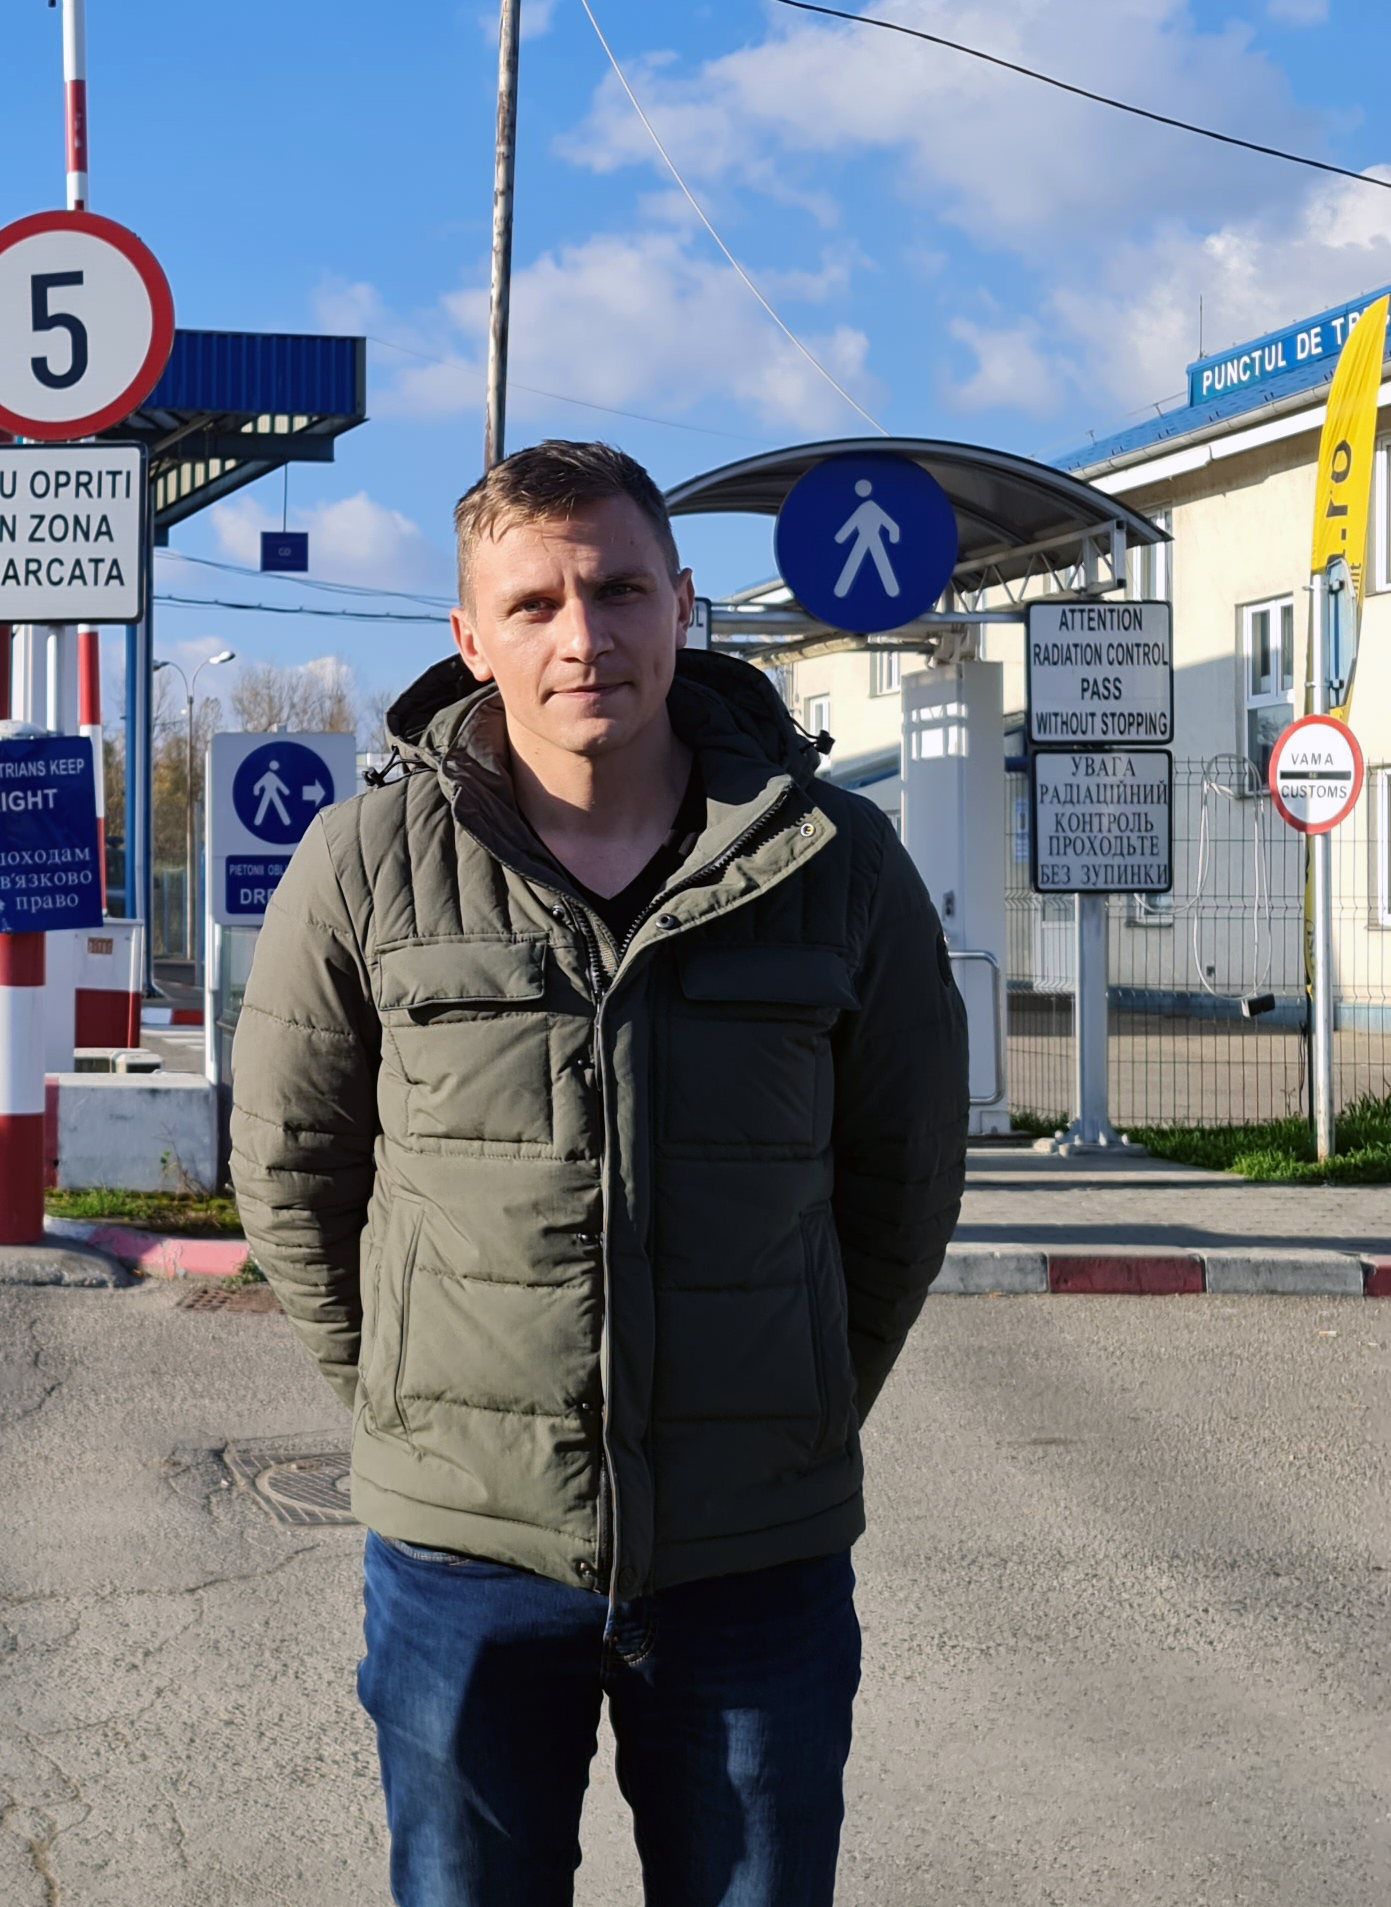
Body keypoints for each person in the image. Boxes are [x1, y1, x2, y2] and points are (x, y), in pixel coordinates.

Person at [229, 440, 965, 1907]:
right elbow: (292, 1172)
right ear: (470, 637)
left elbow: (902, 1181)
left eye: (621, 588)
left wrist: (796, 1398)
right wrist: (416, 1407)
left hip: (754, 1558)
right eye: (537, 601)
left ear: (683, 604)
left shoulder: (837, 862)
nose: (585, 635)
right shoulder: (366, 863)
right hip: (464, 1567)